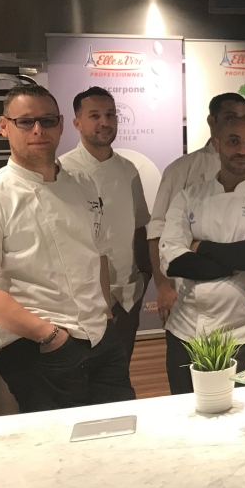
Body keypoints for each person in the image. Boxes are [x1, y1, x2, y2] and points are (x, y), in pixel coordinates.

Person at [0, 84, 135, 412]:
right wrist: (49, 337)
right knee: (60, 451)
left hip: (101, 338)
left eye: (46, 121)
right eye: (25, 121)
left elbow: (97, 253)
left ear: (61, 124)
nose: (37, 130)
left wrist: (105, 312)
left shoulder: (82, 186)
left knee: (121, 432)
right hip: (42, 349)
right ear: (4, 126)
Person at [159, 118, 245, 394]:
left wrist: (199, 246)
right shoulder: (188, 197)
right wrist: (243, 252)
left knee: (243, 420)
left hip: (242, 332)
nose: (242, 150)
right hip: (186, 330)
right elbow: (173, 262)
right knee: (187, 415)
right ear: (217, 144)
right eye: (233, 141)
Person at [147, 93, 245, 329]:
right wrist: (163, 286)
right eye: (230, 117)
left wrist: (198, 247)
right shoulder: (183, 170)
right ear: (213, 124)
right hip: (191, 309)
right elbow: (163, 240)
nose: (242, 149)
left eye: (244, 117)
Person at [59, 86, 151, 362]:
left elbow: (139, 226)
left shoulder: (127, 169)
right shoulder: (63, 172)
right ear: (77, 123)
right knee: (87, 371)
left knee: (121, 366)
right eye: (95, 115)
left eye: (110, 114)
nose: (105, 122)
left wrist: (145, 276)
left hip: (127, 291)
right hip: (82, 298)